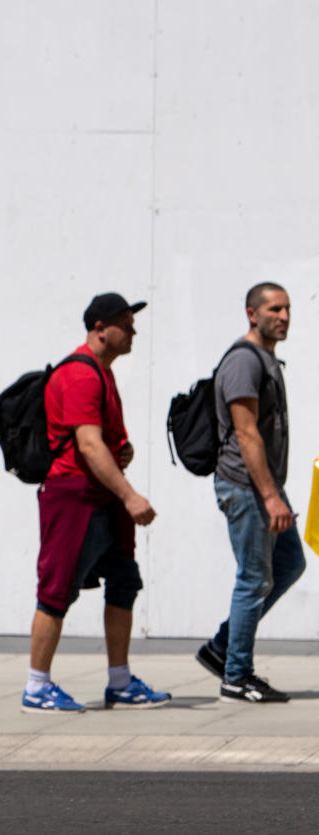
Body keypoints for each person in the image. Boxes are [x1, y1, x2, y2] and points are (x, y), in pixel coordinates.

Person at [22, 292, 170, 714]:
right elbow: (87, 444)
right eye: (126, 322)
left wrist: (121, 454)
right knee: (56, 591)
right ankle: (36, 686)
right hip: (74, 498)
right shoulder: (81, 375)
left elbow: (98, 441)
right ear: (100, 329)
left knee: (124, 581)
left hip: (99, 499)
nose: (134, 330)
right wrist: (131, 496)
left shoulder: (102, 373)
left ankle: (120, 682)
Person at [195, 283, 302, 703]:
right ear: (251, 314)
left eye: (288, 308)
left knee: (289, 563)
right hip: (247, 487)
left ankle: (223, 646)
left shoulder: (265, 358)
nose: (285, 316)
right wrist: (270, 497)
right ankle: (236, 676)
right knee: (254, 579)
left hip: (265, 486)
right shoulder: (244, 361)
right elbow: (245, 432)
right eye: (275, 308)